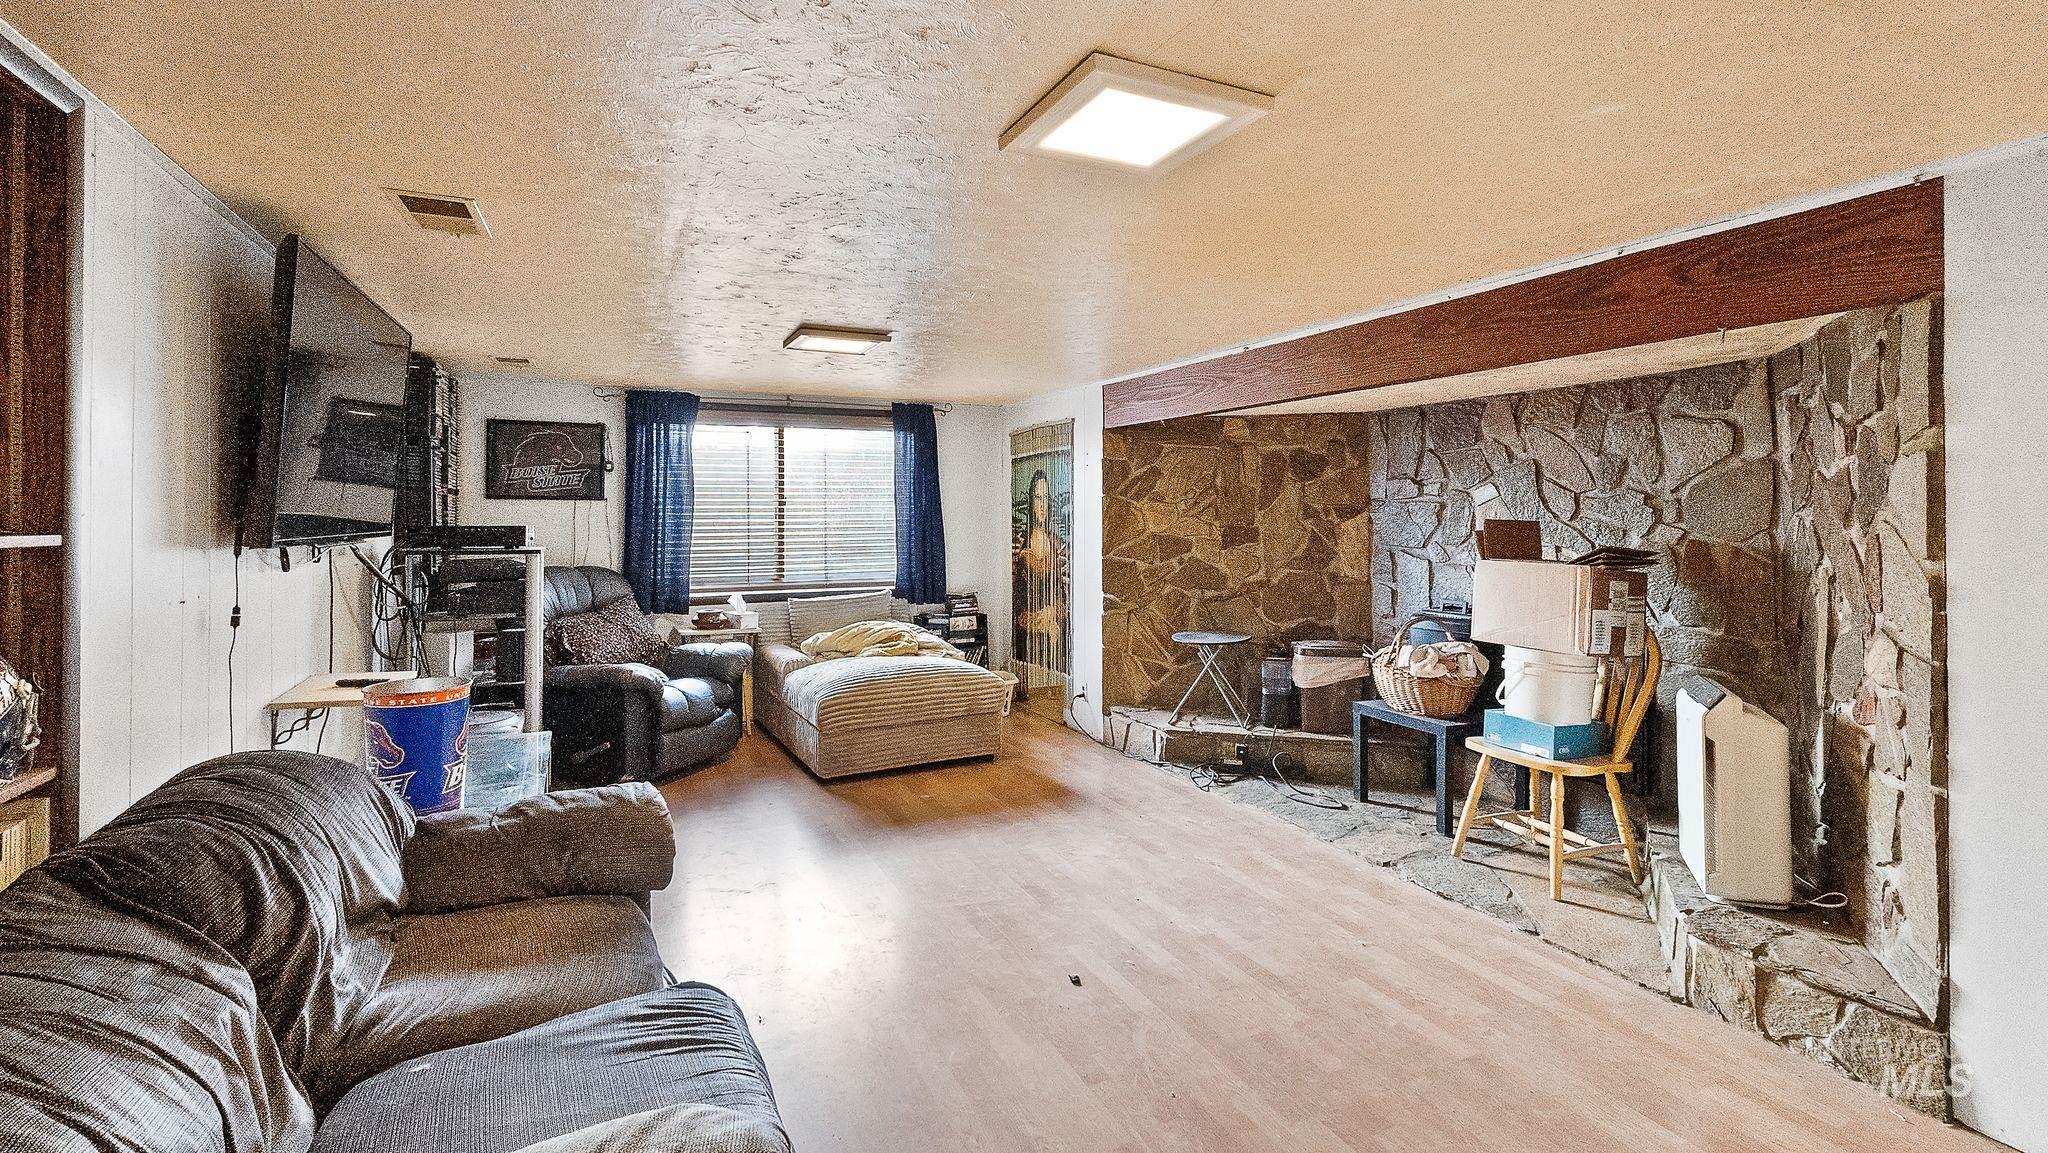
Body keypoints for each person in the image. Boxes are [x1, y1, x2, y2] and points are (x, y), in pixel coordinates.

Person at [1011, 468, 1069, 678]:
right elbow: (1017, 593)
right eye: (1037, 498)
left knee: (1054, 629)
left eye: (1045, 498)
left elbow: (1063, 589)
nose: (1042, 505)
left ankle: (1055, 683)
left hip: (1052, 615)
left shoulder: (1057, 544)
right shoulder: (1019, 542)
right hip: (1028, 617)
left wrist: (1052, 611)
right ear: (1031, 501)